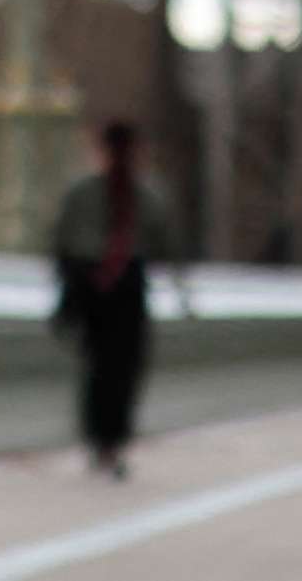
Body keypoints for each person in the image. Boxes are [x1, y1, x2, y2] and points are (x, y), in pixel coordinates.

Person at [51, 121, 182, 479]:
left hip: (128, 285)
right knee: (99, 365)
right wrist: (66, 290)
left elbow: (165, 244)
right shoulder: (83, 192)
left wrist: (182, 289)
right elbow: (62, 243)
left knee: (125, 366)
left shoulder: (147, 195)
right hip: (90, 282)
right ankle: (100, 438)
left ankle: (114, 438)